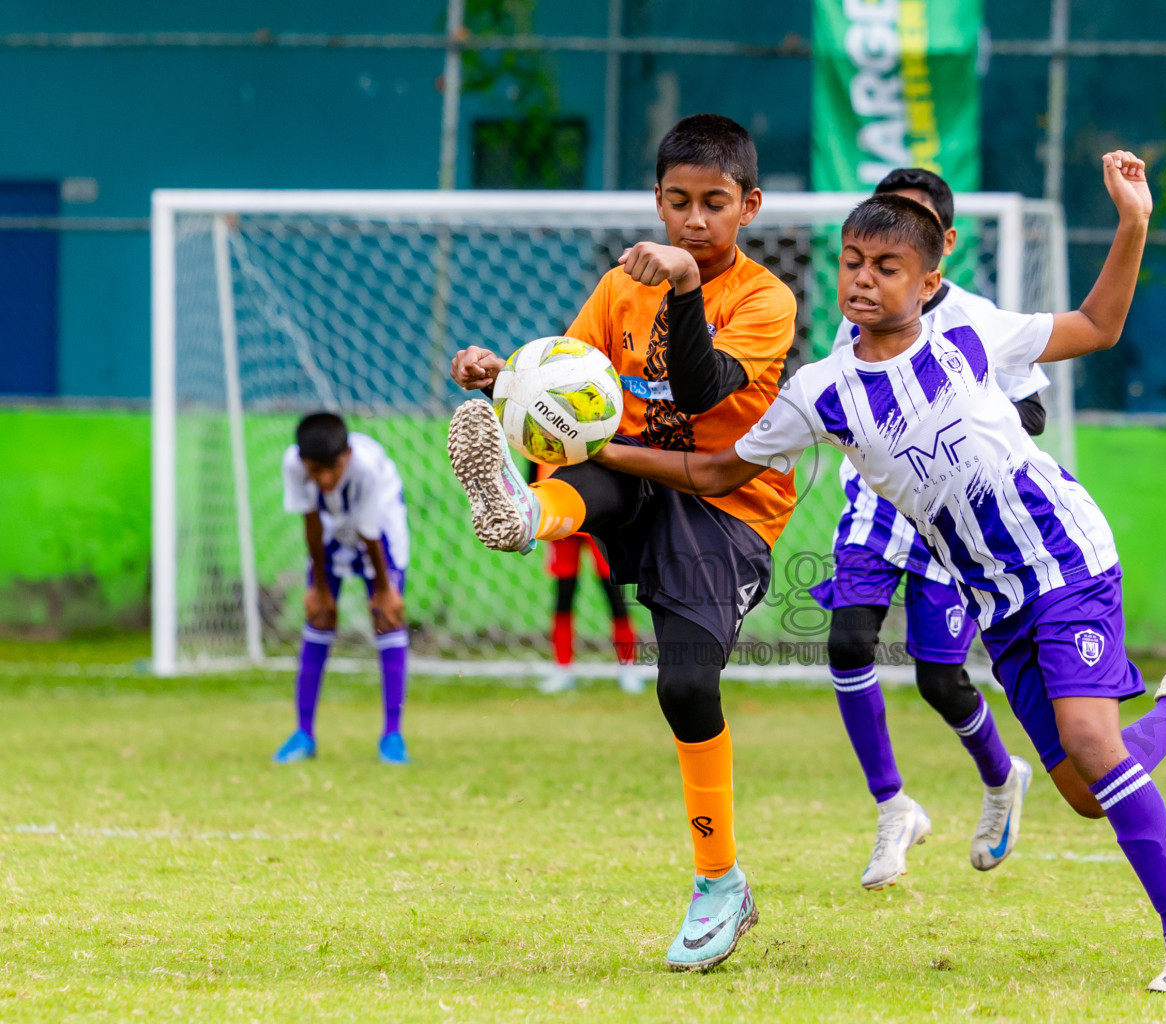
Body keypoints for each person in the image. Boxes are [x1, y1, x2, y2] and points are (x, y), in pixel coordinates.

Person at [587, 157, 1166, 995]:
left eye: (888, 267)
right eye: (853, 264)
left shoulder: (974, 334)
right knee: (1089, 795)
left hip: (1065, 560)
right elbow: (719, 469)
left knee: (1092, 746)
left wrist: (1133, 222)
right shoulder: (822, 389)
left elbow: (1098, 323)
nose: (865, 282)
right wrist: (602, 450)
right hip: (996, 602)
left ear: (929, 277)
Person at [445, 114, 797, 971]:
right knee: (599, 464)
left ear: (748, 206)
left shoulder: (765, 299)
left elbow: (703, 386)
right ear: (657, 199)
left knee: (684, 686)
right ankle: (522, 517)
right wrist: (508, 381)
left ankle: (721, 882)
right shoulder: (616, 286)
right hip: (631, 476)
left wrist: (681, 286)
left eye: (715, 204)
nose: (695, 220)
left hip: (725, 506)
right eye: (678, 203)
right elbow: (575, 386)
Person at [814, 167, 1050, 890]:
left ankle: (1002, 776)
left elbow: (1031, 413)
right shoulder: (855, 314)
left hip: (953, 517)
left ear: (940, 247)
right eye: (871, 246)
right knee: (849, 641)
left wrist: (952, 415)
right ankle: (892, 808)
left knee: (940, 678)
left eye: (905, 240)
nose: (882, 260)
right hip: (877, 508)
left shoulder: (977, 318)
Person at [273, 412, 411, 765]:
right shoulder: (293, 464)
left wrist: (384, 589)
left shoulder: (367, 469)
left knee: (387, 618)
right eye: (315, 471)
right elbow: (310, 521)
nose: (325, 478)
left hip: (381, 533)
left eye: (332, 468)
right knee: (318, 616)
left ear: (346, 455)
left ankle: (392, 737)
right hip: (332, 528)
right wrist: (319, 587)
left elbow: (370, 533)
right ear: (303, 461)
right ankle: (303, 734)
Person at [528, 463, 644, 696]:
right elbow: (531, 470)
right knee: (564, 594)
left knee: (613, 592)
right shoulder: (537, 435)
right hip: (559, 514)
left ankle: (627, 666)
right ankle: (563, 668)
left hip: (597, 516)